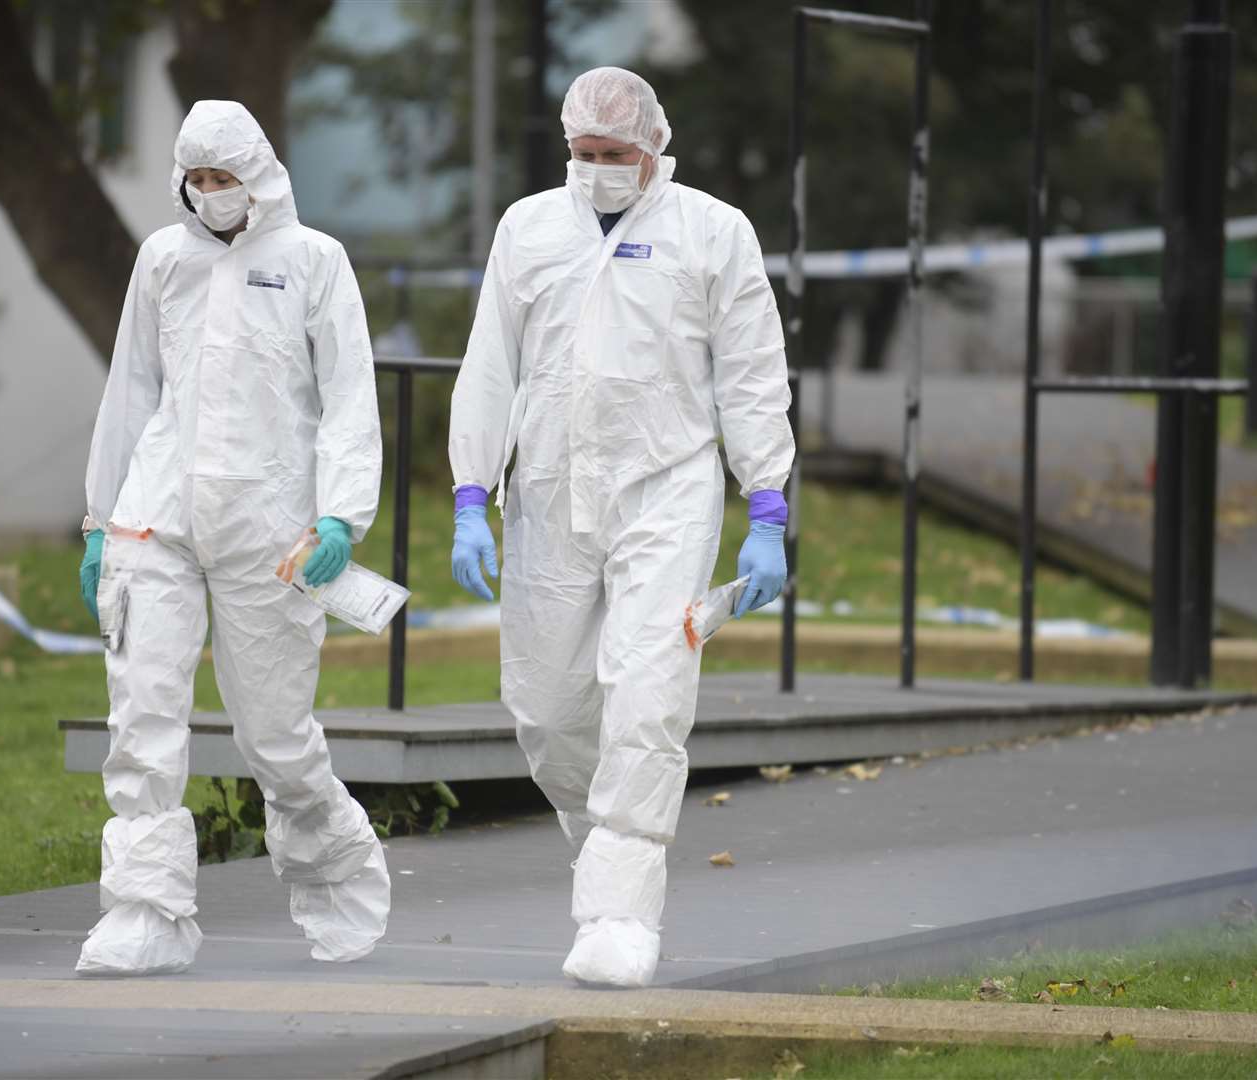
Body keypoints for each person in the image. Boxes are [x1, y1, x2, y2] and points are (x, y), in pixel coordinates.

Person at [447, 68, 794, 987]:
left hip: (666, 489)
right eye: (584, 154)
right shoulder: (529, 228)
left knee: (645, 694)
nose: (598, 170)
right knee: (549, 709)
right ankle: (604, 838)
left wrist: (767, 506)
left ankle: (619, 912)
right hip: (549, 493)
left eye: (615, 155)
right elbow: (490, 364)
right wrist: (469, 494)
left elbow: (752, 372)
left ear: (653, 149)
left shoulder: (712, 232)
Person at [76, 100, 389, 976]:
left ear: (260, 177)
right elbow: (131, 390)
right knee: (141, 719)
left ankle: (333, 871)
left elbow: (350, 399)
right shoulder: (162, 260)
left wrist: (340, 515)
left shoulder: (313, 261)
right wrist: (101, 520)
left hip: (273, 525)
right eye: (199, 181)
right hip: (158, 516)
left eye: (226, 180)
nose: (212, 195)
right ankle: (144, 909)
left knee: (276, 737)